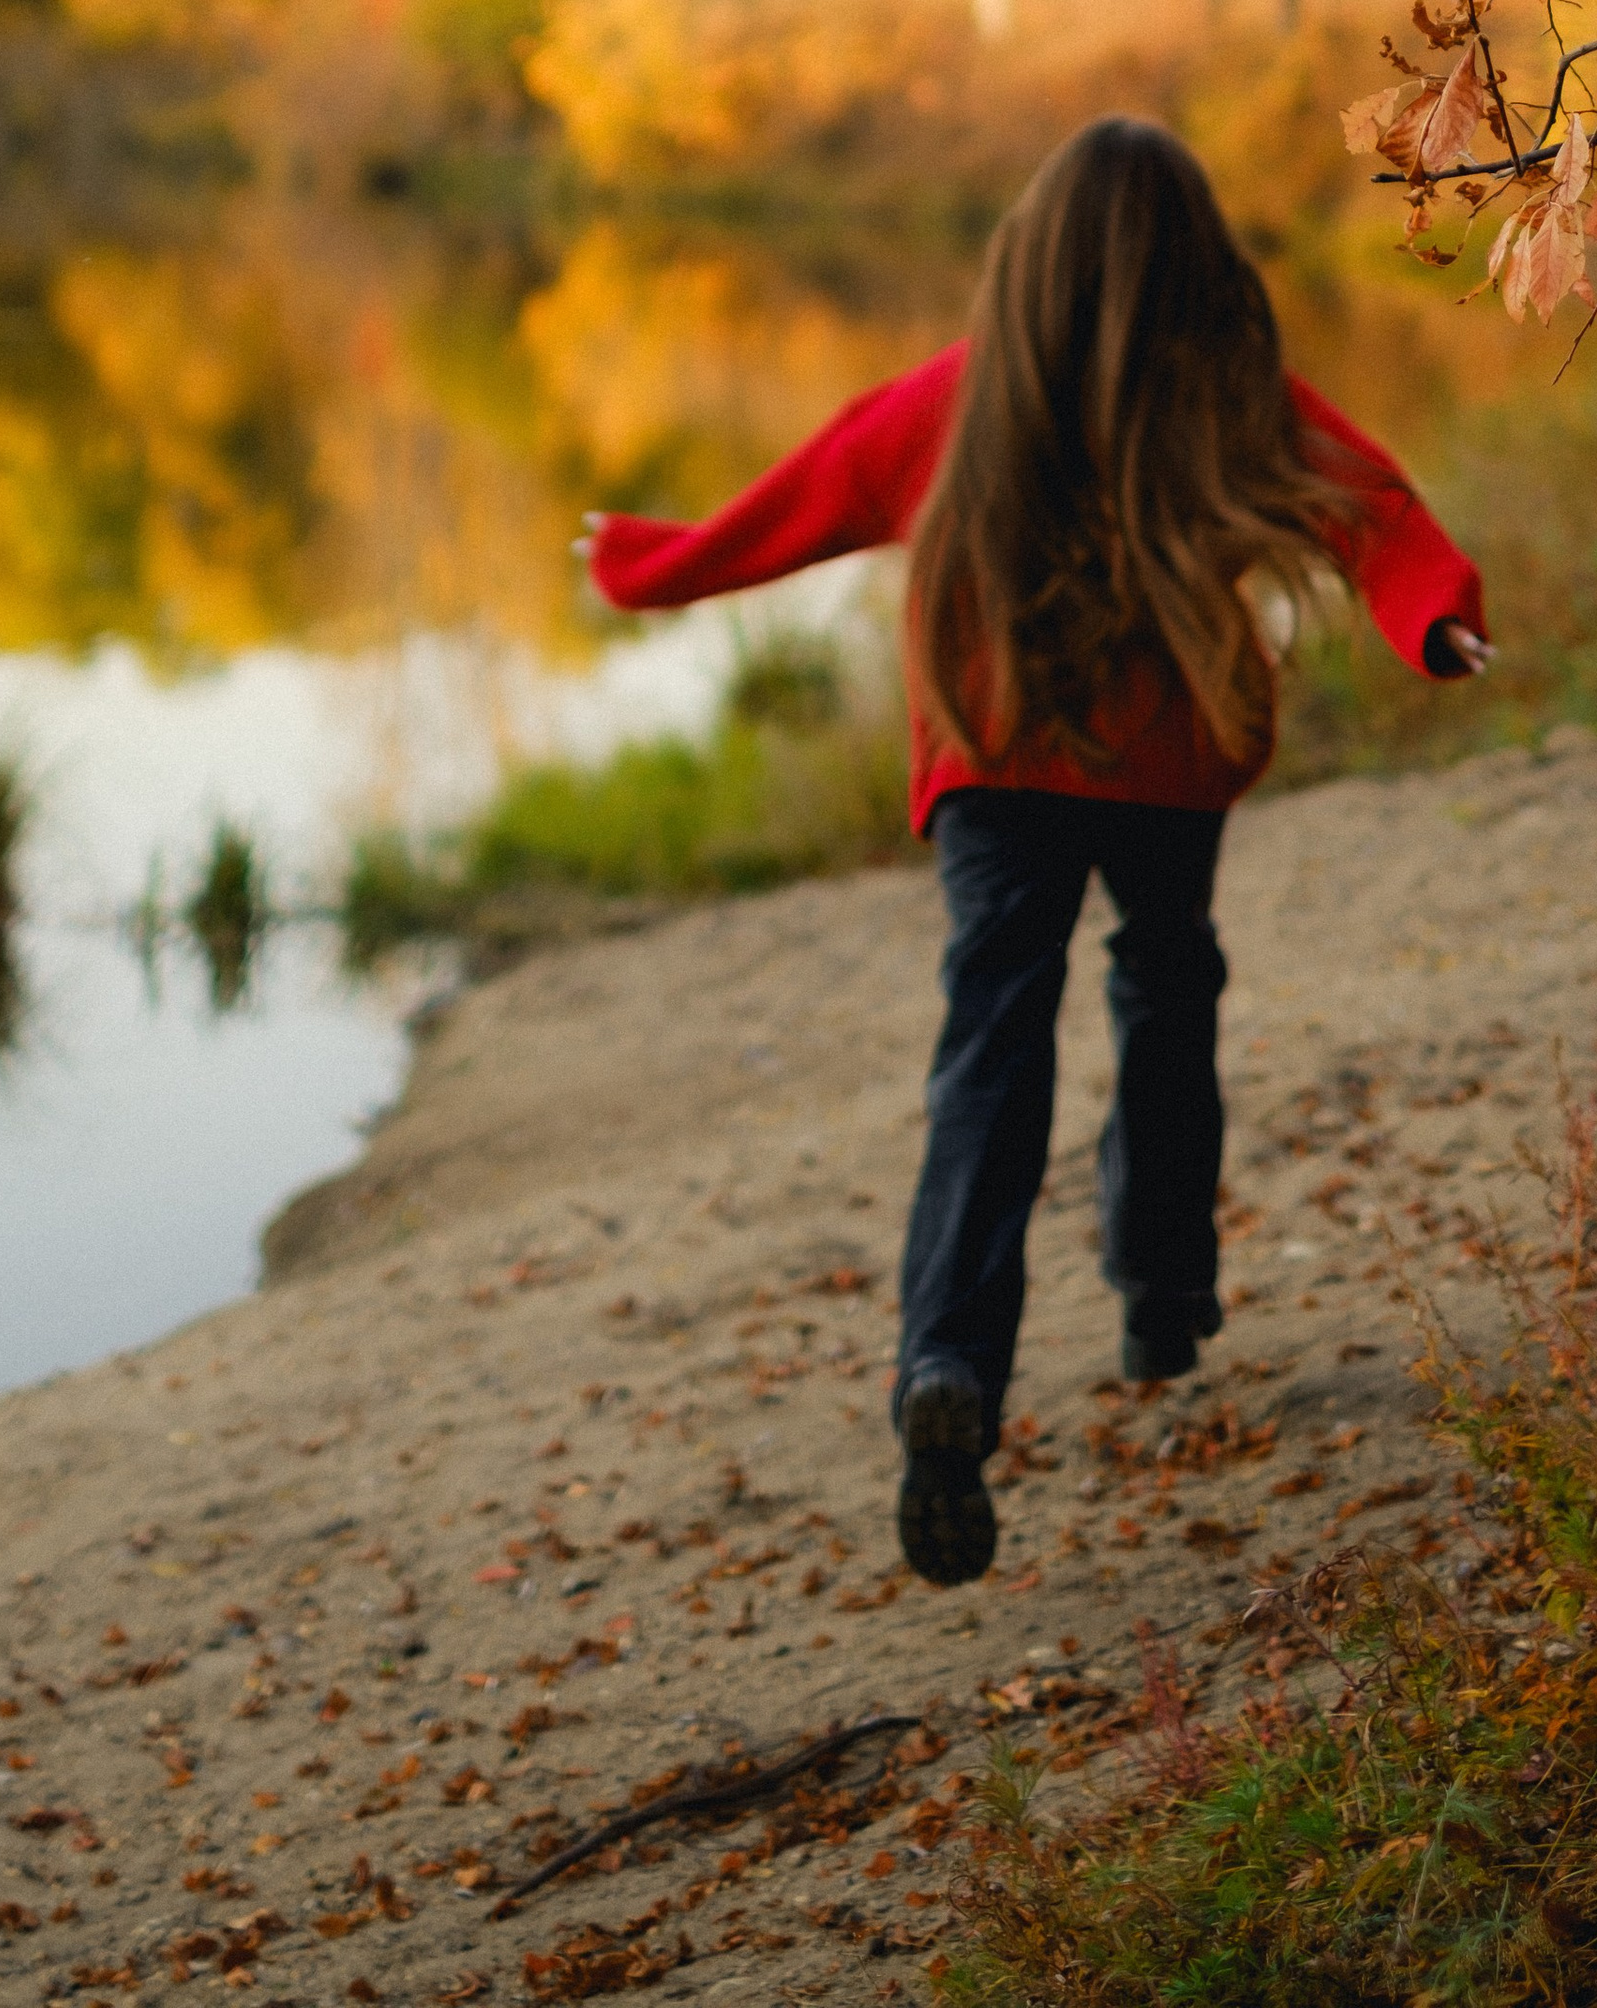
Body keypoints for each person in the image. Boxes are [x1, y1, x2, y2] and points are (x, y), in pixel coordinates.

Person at [579, 115, 1487, 1590]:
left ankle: (949, 1361)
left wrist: (644, 560)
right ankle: (1161, 1291)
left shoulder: (958, 399)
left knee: (991, 1048)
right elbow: (1377, 516)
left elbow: (791, 508)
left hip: (999, 759)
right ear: (1201, 258)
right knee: (1166, 983)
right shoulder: (1232, 396)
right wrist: (1435, 619)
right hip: (1167, 764)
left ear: (1028, 254)